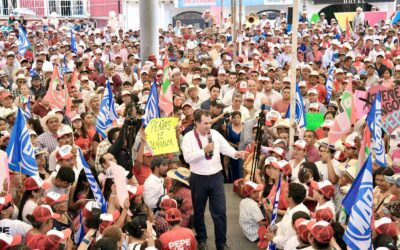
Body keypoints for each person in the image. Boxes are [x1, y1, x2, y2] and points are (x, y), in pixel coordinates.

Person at [181, 109, 247, 250]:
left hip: (216, 177)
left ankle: (221, 243)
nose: (208, 126)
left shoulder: (215, 134)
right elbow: (187, 158)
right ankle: (202, 239)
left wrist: (236, 153)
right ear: (196, 123)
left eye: (210, 123)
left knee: (220, 211)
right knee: (198, 211)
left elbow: (225, 149)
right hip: (198, 178)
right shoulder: (188, 137)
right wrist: (203, 151)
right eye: (205, 123)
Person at [264, 183, 309, 249]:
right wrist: (276, 226)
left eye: (286, 192)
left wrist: (272, 238)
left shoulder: (295, 217)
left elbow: (286, 241)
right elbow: (284, 223)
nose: (284, 193)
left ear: (290, 199)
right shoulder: (293, 206)